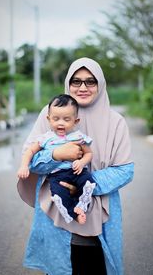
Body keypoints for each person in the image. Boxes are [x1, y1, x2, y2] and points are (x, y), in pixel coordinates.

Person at [17, 57, 134, 275]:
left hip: (100, 222)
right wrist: (55, 154)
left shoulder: (115, 121)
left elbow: (125, 170)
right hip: (55, 216)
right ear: (68, 84)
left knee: (97, 267)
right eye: (76, 81)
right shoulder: (50, 113)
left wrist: (80, 185)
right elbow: (29, 157)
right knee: (60, 267)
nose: (82, 87)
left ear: (100, 84)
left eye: (90, 81)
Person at [17, 94, 96, 224]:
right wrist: (24, 166)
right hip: (57, 175)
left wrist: (82, 162)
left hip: (77, 171)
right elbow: (30, 151)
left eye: (66, 119)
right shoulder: (45, 138)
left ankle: (82, 206)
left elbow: (89, 154)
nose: (60, 123)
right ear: (48, 119)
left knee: (87, 182)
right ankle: (74, 214)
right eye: (56, 119)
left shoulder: (78, 137)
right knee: (58, 194)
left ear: (75, 121)